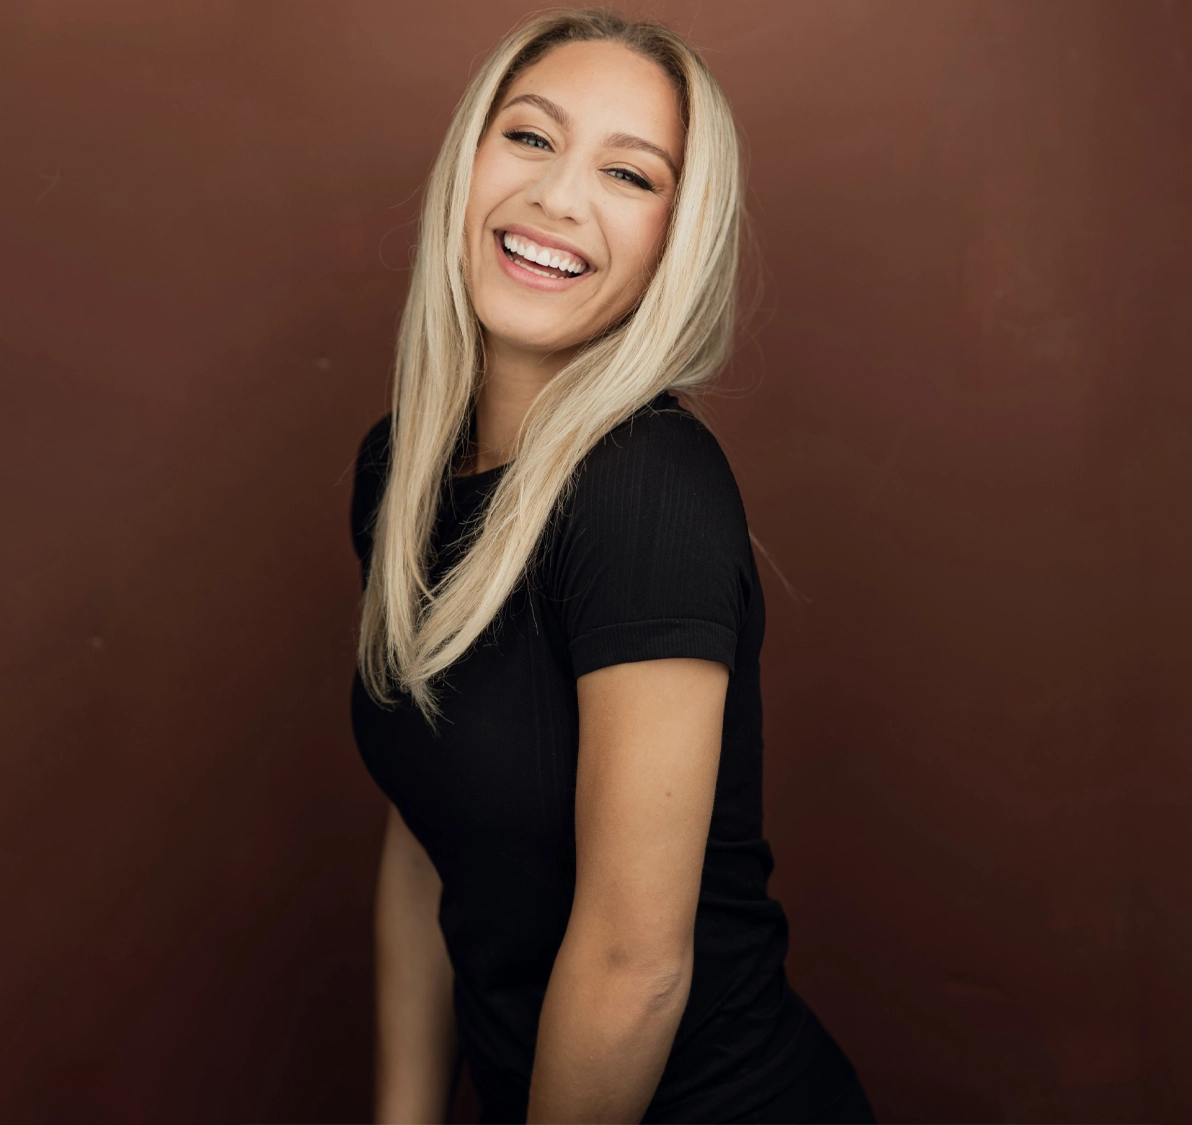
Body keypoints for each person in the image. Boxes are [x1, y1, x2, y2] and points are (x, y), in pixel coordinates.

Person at [349, 10, 873, 1123]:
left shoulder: (644, 492)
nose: (556, 198)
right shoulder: (403, 467)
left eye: (629, 175)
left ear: (671, 242)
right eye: (530, 138)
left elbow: (635, 969)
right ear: (469, 161)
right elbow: (426, 822)